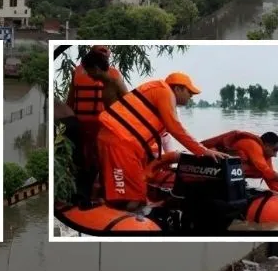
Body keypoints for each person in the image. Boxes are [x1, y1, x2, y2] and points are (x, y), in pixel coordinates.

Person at [96, 72, 228, 209]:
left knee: (132, 191)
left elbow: (166, 134)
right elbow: (175, 128)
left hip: (121, 141)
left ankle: (118, 211)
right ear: (177, 89)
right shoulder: (165, 92)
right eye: (189, 92)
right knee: (134, 196)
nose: (191, 96)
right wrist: (202, 151)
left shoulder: (161, 95)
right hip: (119, 141)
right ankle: (127, 221)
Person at [67, 46, 124, 195]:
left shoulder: (77, 72)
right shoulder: (114, 75)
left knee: (85, 159)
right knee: (100, 159)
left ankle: (85, 191)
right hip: (100, 125)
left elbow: (70, 101)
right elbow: (126, 102)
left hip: (84, 123)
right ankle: (100, 190)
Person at [201, 130, 278, 198]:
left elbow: (273, 185)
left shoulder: (266, 157)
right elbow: (267, 172)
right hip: (211, 173)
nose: (275, 155)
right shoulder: (251, 144)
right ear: (265, 145)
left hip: (230, 181)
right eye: (274, 150)